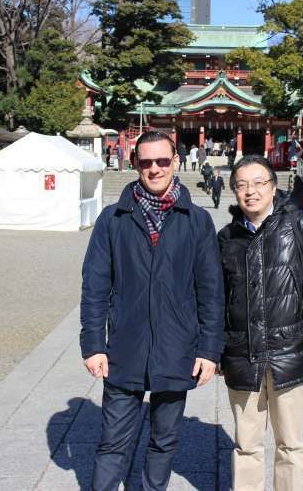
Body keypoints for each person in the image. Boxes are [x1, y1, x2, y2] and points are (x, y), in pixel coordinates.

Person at [80, 131, 224, 491]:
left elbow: (211, 291)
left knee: (164, 440)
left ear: (176, 162)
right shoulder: (114, 219)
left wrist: (209, 351)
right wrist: (94, 344)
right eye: (146, 162)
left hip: (178, 348)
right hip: (125, 348)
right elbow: (95, 287)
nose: (155, 169)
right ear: (135, 165)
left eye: (162, 161)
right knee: (113, 442)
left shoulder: (197, 220)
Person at [217, 155, 303, 491]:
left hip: (291, 351)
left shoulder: (300, 226)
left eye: (259, 183)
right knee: (246, 444)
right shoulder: (226, 238)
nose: (251, 191)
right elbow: (215, 297)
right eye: (242, 184)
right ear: (233, 191)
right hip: (243, 355)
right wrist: (215, 349)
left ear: (274, 188)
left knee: (290, 443)